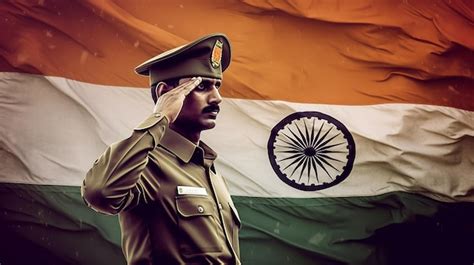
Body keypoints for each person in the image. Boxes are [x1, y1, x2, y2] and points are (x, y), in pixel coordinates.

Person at [81, 33, 241, 265]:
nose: (217, 98)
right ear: (165, 93)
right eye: (203, 86)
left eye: (217, 86)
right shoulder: (146, 163)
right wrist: (161, 116)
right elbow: (99, 193)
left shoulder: (208, 169)